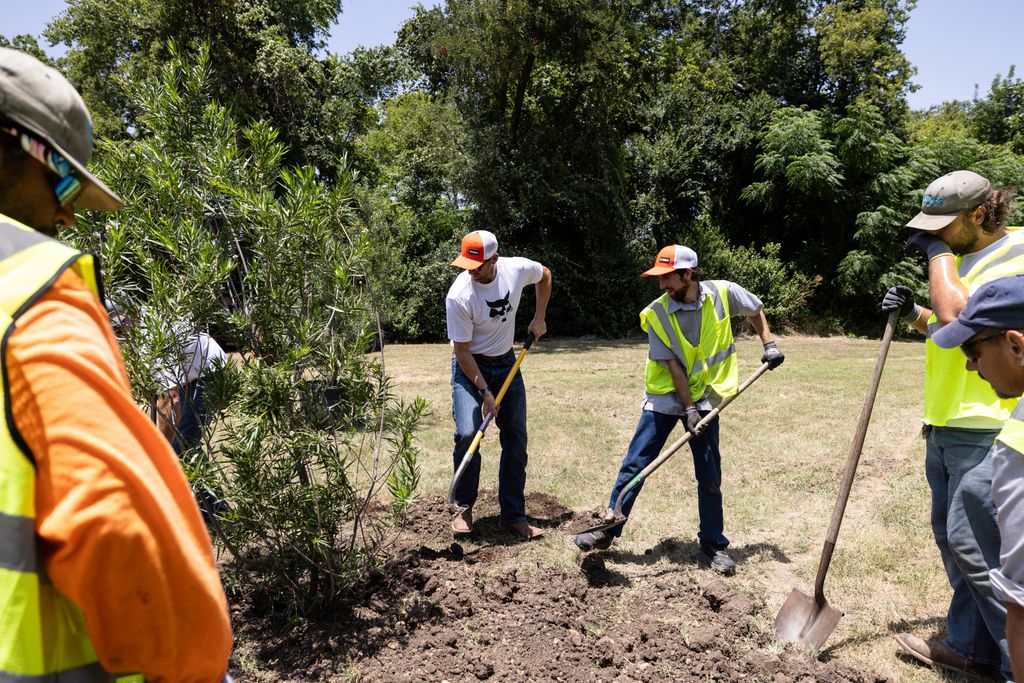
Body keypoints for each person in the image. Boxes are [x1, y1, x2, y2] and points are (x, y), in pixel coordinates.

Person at [0, 47, 232, 681]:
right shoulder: (32, 298)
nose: (69, 212)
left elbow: (181, 391)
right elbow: (119, 529)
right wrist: (196, 665)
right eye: (65, 181)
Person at [881, 171, 1020, 680]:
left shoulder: (1018, 254)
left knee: (979, 546)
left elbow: (961, 310)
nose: (934, 235)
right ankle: (972, 648)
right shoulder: (962, 261)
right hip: (945, 419)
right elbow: (952, 326)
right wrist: (916, 313)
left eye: (943, 226)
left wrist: (937, 256)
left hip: (990, 421)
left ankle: (1013, 663)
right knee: (954, 540)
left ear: (980, 214)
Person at [573, 245, 784, 576]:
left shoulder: (723, 293)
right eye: (659, 279)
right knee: (637, 462)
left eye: (667, 278)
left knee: (709, 473)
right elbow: (673, 364)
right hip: (666, 398)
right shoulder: (657, 314)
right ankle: (606, 529)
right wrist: (687, 409)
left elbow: (754, 309)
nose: (662, 286)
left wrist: (769, 344)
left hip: (707, 396)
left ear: (688, 273)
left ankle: (713, 546)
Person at [931, 274, 1024, 683]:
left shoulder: (1016, 454)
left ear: (1016, 345)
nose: (970, 364)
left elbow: (1021, 598)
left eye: (973, 350)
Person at [445, 230, 552, 539]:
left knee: (516, 439)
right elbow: (462, 353)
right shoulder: (459, 295)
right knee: (467, 433)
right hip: (470, 369)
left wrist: (539, 317)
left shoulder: (516, 269)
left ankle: (513, 515)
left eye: (478, 265)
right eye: (467, 264)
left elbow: (545, 275)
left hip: (507, 363)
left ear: (494, 258)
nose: (471, 270)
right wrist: (484, 392)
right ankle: (462, 508)